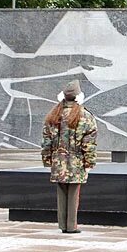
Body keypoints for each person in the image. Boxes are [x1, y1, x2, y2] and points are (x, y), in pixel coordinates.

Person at [41, 80, 97, 233]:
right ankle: (72, 226)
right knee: (74, 194)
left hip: (58, 162)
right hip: (76, 162)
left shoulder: (53, 114)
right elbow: (89, 143)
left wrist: (47, 161)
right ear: (79, 96)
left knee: (61, 193)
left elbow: (46, 141)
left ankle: (62, 225)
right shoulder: (85, 116)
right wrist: (89, 164)